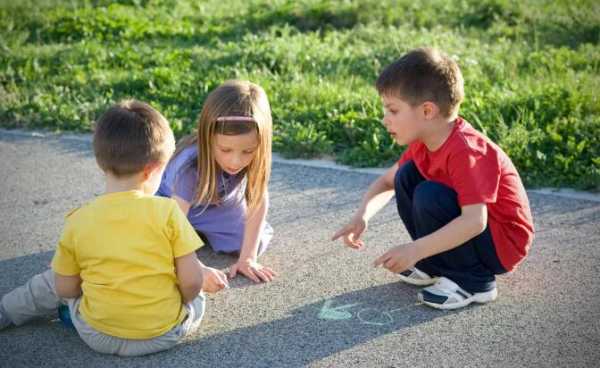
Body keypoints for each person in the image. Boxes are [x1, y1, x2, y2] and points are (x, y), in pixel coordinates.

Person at [0, 100, 228, 355]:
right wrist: (183, 299)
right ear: (151, 171)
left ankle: (6, 311)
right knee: (195, 294)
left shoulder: (79, 220)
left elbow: (65, 289)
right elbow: (192, 281)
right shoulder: (168, 212)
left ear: (101, 162)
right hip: (163, 334)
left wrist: (81, 290)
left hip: (97, 335)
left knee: (54, 278)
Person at [332, 48, 534, 310]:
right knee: (406, 177)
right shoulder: (424, 143)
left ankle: (475, 282)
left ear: (427, 110)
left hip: (501, 243)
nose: (385, 120)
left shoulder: (466, 151)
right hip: (477, 231)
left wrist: (415, 249)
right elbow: (385, 183)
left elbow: (475, 221)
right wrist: (362, 216)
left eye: (393, 110)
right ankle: (434, 265)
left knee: (430, 194)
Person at [156, 80, 276, 283]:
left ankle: (197, 233)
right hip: (171, 204)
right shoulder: (189, 167)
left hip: (213, 203)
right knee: (157, 249)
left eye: (247, 151)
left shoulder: (255, 155)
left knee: (255, 241)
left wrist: (248, 258)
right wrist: (197, 269)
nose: (235, 161)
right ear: (207, 137)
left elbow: (258, 198)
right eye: (225, 150)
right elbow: (175, 223)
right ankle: (191, 235)